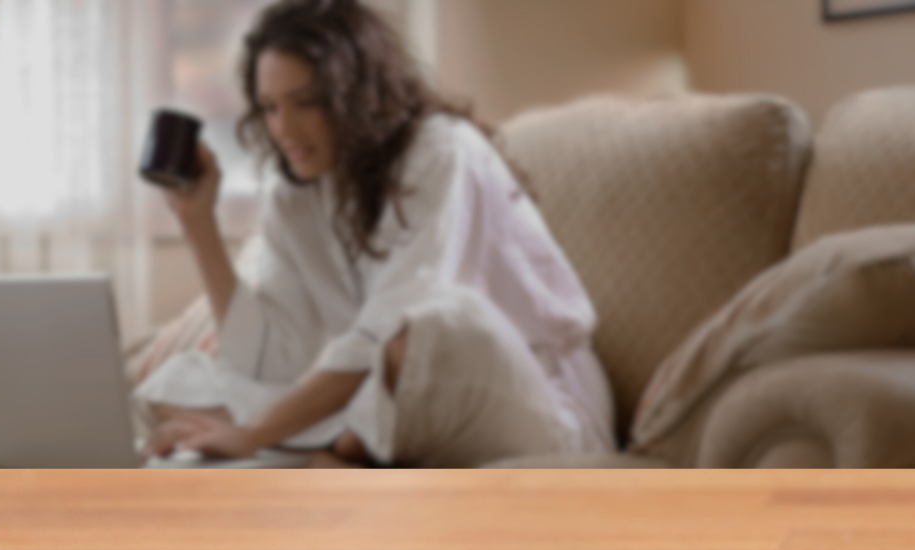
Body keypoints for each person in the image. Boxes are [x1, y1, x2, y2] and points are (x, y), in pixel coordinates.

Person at [137, 0, 613, 467]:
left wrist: (254, 434)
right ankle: (339, 443)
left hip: (532, 394)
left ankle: (329, 446)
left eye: (305, 103)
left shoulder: (440, 149)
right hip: (388, 382)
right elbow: (268, 357)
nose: (285, 130)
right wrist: (198, 222)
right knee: (172, 384)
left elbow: (391, 328)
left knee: (427, 327)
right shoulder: (294, 194)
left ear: (355, 92)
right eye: (270, 108)